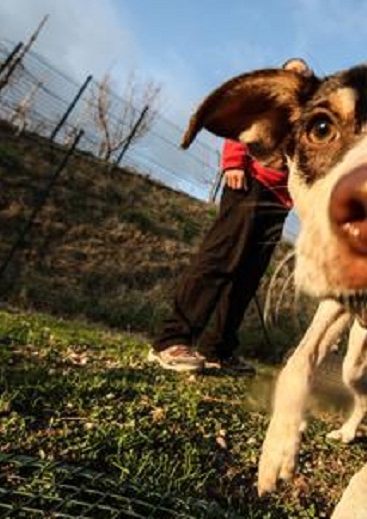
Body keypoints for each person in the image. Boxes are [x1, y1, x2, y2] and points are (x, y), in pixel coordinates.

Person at [148, 58, 314, 374]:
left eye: (306, 74)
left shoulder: (305, 114)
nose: (300, 77)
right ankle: (171, 340)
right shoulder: (267, 101)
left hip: (281, 201)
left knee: (249, 275)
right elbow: (243, 128)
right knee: (220, 259)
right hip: (250, 186)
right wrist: (234, 162)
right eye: (294, 72)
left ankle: (218, 350)